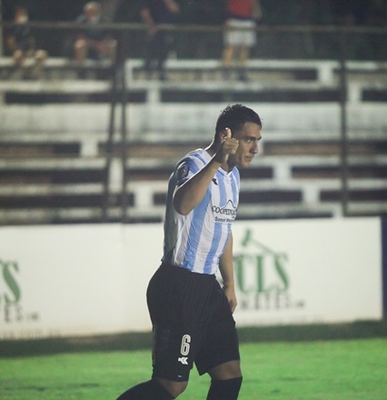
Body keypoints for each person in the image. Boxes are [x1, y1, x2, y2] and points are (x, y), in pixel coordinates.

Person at [116, 104, 263, 400]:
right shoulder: (194, 164)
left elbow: (224, 227)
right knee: (171, 386)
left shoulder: (233, 176)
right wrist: (216, 162)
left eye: (258, 141)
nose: (255, 148)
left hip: (207, 287)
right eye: (249, 139)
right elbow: (182, 205)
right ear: (227, 135)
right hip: (179, 285)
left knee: (229, 373)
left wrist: (229, 283)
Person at [221, 0, 262, 82]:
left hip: (247, 20)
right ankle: (226, 71)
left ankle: (242, 72)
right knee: (231, 46)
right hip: (234, 18)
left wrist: (256, 12)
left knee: (245, 47)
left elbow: (255, 6)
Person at [140, 0, 180, 80]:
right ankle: (148, 71)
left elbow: (175, 10)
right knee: (151, 51)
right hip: (154, 29)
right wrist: (152, 26)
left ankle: (161, 71)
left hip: (166, 30)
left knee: (164, 51)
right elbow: (144, 12)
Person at [5, 7, 48, 80]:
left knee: (42, 55)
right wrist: (16, 49)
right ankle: (25, 74)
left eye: (23, 15)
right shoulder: (12, 28)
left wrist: (32, 51)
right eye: (20, 15)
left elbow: (33, 41)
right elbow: (11, 43)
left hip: (31, 51)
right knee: (17, 55)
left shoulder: (30, 27)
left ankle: (34, 75)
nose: (22, 17)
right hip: (20, 51)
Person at [73, 1, 117, 67]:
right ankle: (80, 71)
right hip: (88, 43)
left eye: (93, 11)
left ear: (98, 12)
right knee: (79, 45)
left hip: (101, 44)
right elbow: (80, 36)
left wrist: (103, 43)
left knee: (113, 44)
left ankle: (113, 69)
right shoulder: (81, 21)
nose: (90, 14)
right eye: (88, 12)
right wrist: (94, 44)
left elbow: (109, 35)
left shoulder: (105, 21)